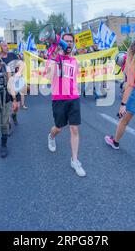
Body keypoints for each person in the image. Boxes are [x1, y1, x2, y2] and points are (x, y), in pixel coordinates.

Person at [46, 33, 86, 177]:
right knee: (59, 127)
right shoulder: (54, 58)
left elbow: (74, 78)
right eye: (65, 41)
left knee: (74, 128)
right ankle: (51, 136)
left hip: (73, 97)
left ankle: (74, 160)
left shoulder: (75, 61)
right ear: (60, 43)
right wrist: (53, 58)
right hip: (59, 99)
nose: (68, 43)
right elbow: (48, 76)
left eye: (70, 41)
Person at [0, 41, 24, 126]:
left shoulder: (12, 55)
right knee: (7, 106)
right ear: (0, 47)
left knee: (17, 106)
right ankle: (7, 124)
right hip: (4, 85)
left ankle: (14, 115)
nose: (7, 47)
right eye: (5, 46)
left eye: (7, 46)